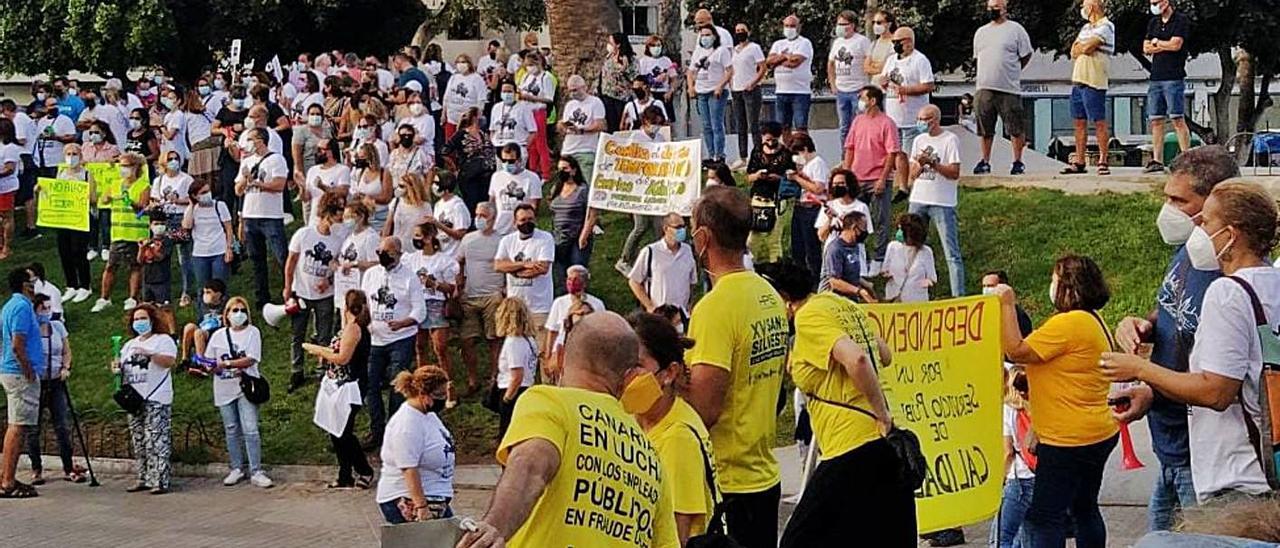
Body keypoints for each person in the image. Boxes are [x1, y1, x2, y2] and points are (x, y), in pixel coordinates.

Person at [1102, 181, 1280, 505]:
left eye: (1206, 221)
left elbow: (1216, 391)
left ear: (1231, 234)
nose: (1197, 226)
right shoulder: (1272, 283)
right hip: (1266, 470)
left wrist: (1140, 368)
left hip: (1237, 479)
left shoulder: (1228, 293)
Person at [456, 312, 678, 548]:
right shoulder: (650, 455)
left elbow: (531, 466)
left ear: (560, 357)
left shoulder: (550, 402)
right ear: (629, 376)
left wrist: (495, 527)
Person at [1109, 146, 1240, 531]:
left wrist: (1141, 372)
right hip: (1169, 448)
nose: (1167, 209)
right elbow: (1175, 311)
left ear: (1217, 204)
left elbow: (1218, 386)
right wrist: (1144, 324)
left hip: (1203, 458)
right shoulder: (1190, 253)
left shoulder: (1231, 278)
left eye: (1179, 200)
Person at [750, 261, 909, 546]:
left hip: (850, 445)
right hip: (880, 443)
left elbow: (857, 359)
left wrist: (880, 414)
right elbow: (883, 354)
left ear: (784, 299)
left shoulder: (808, 318)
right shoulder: (838, 304)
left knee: (798, 539)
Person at [684, 185, 789, 548]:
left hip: (727, 481)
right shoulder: (768, 294)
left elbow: (705, 408)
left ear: (703, 237)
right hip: (763, 470)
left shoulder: (715, 309)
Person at [993, 255, 1119, 546]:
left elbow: (1016, 350)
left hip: (1069, 440)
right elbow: (1062, 378)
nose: (1051, 286)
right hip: (1096, 431)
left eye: (1054, 280)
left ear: (1067, 287)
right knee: (1083, 508)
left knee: (1043, 518)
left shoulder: (1069, 323)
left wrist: (1007, 302)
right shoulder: (1091, 319)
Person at [628, 312, 718, 543]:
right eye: (621, 363)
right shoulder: (637, 419)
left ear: (669, 373)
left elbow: (678, 534)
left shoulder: (677, 439)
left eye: (636, 365)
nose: (626, 375)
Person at [303, 289, 376, 490]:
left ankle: (364, 470)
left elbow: (343, 357)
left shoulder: (354, 329)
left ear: (346, 306)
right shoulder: (347, 328)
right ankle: (345, 474)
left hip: (350, 386)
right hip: (336, 384)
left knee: (344, 432)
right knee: (335, 430)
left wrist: (318, 350)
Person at [361, 236, 425, 448]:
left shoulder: (410, 278)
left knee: (398, 385)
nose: (382, 257)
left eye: (387, 254)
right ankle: (376, 429)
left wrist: (405, 322)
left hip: (401, 338)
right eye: (380, 252)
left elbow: (420, 310)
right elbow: (365, 304)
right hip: (375, 339)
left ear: (398, 254)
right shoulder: (371, 275)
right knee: (370, 384)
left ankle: (395, 430)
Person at [203, 296, 273, 488]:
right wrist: (210, 366)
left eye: (242, 310)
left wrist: (227, 363)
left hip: (245, 387)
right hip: (224, 387)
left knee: (250, 429)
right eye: (234, 310)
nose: (238, 314)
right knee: (231, 428)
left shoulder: (253, 332)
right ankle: (236, 467)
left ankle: (256, 470)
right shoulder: (218, 335)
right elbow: (210, 360)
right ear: (226, 314)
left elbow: (251, 358)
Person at [375, 366, 454, 524]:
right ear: (423, 394)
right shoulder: (407, 424)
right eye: (439, 395)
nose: (443, 399)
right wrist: (421, 506)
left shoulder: (428, 415)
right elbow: (408, 468)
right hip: (408, 499)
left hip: (435, 496)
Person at [283, 191, 345, 392]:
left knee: (324, 333)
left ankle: (323, 367)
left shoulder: (338, 239)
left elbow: (338, 267)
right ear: (328, 213)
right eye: (338, 213)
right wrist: (287, 287)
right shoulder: (304, 234)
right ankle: (296, 370)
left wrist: (327, 281)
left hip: (325, 295)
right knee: (297, 334)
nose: (341, 218)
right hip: (301, 292)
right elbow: (291, 262)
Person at [116, 303, 178, 495]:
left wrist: (150, 354)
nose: (139, 322)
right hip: (135, 398)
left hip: (156, 396)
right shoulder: (129, 345)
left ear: (152, 320)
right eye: (136, 319)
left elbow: (169, 362)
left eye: (143, 318)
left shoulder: (163, 340)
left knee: (156, 439)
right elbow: (124, 369)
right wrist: (117, 369)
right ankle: (143, 476)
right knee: (139, 439)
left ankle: (160, 479)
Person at [22, 294, 81, 485]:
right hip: (37, 383)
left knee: (62, 426)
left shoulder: (57, 327)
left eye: (48, 308)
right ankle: (36, 469)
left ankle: (68, 466)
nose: (46, 312)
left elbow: (66, 351)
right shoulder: (30, 332)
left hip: (56, 382)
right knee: (33, 429)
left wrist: (65, 367)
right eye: (43, 309)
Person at [907, 104, 965, 297]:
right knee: (910, 245)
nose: (922, 122)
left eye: (926, 119)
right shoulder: (918, 140)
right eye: (920, 118)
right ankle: (911, 292)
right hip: (918, 198)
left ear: (936, 119)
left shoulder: (950, 140)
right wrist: (921, 164)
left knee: (951, 253)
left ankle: (959, 296)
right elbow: (912, 174)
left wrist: (933, 163)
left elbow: (954, 172)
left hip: (942, 201)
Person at [842, 85, 899, 273]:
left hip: (877, 178)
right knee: (855, 219)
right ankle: (858, 256)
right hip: (857, 178)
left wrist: (883, 179)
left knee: (880, 219)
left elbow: (892, 153)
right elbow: (849, 147)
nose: (859, 101)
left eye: (862, 97)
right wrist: (846, 173)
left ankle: (879, 259)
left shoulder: (887, 123)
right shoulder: (857, 121)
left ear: (873, 101)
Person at [973, 0, 1033, 175]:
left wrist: (1014, 70)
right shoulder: (981, 32)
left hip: (1008, 87)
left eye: (996, 7)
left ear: (1005, 9)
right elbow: (979, 57)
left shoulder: (1015, 30)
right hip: (984, 86)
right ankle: (985, 161)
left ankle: (1017, 161)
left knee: (1015, 126)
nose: (993, 10)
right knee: (985, 127)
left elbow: (1026, 54)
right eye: (990, 7)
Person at [876, 26, 935, 194]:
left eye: (898, 42)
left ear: (908, 42)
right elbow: (884, 78)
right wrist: (883, 82)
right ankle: (903, 187)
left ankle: (918, 184)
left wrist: (906, 90)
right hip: (894, 116)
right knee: (899, 153)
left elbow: (928, 85)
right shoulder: (891, 60)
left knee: (913, 154)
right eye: (893, 42)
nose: (895, 45)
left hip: (913, 116)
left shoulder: (919, 60)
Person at [235, 128, 289, 308]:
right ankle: (262, 297)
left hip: (270, 215)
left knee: (281, 255)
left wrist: (259, 183)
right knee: (256, 258)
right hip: (251, 214)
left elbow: (279, 185)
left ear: (261, 140)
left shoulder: (276, 159)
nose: (248, 143)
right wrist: (245, 179)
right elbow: (238, 190)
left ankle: (290, 291)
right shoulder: (247, 161)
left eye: (251, 139)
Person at [1, 269, 43, 499]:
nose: (35, 284)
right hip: (19, 373)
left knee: (16, 424)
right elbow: (18, 343)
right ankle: (7, 480)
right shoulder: (22, 307)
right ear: (24, 285)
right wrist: (26, 366)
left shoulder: (10, 306)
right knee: (18, 426)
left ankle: (6, 474)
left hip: (11, 370)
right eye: (32, 280)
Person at [91, 152, 150, 313]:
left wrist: (130, 202)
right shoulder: (115, 184)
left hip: (136, 234)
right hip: (117, 233)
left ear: (136, 167)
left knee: (135, 266)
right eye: (121, 166)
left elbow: (144, 207)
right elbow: (103, 200)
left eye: (127, 166)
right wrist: (107, 197)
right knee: (110, 266)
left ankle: (132, 297)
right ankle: (104, 298)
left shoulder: (143, 185)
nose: (123, 169)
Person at [1062, 0, 1115, 176]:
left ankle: (1103, 160)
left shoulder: (1106, 26)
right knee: (1078, 122)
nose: (1082, 9)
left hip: (1094, 80)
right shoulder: (1085, 28)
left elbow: (1087, 47)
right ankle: (1079, 160)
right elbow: (1074, 50)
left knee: (1098, 121)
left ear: (1092, 7)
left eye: (1084, 5)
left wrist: (1084, 47)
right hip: (1078, 79)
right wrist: (1082, 47)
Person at [456, 202, 504, 394]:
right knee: (467, 340)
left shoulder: (501, 241)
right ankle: (472, 379)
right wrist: (459, 286)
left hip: (493, 296)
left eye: (483, 215)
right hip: (470, 296)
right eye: (477, 215)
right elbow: (459, 262)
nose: (479, 219)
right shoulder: (467, 240)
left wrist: (504, 290)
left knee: (494, 339)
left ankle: (495, 376)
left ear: (492, 218)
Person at [494, 204, 555, 353]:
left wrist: (513, 269)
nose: (527, 222)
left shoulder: (545, 238)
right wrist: (524, 265)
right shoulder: (507, 241)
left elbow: (542, 268)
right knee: (516, 352)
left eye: (530, 219)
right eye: (523, 220)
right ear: (515, 223)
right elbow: (498, 265)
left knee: (542, 352)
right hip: (515, 306)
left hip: (539, 306)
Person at [1143, 0, 1192, 173]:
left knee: (1177, 118)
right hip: (1156, 77)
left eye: (1156, 2)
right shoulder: (1153, 22)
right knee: (1156, 119)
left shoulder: (1180, 20)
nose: (1154, 5)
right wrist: (1161, 44)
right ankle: (1157, 159)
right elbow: (1146, 47)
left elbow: (1176, 45)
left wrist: (1157, 43)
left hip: (1174, 77)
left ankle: (1187, 158)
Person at [406, 222, 458, 382]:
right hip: (417, 303)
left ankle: (448, 383)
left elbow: (452, 288)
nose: (415, 239)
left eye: (418, 236)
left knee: (440, 347)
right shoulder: (411, 259)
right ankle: (423, 380)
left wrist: (434, 284)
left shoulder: (444, 261)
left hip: (436, 303)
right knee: (420, 346)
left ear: (428, 238)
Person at [995, 365, 1036, 548]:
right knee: (1027, 538)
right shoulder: (1036, 407)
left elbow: (1008, 452)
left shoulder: (1008, 410)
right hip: (1038, 476)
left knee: (1002, 538)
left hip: (1018, 480)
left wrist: (1000, 479)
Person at [745, 121, 795, 263]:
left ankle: (775, 265)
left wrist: (778, 178)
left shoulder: (786, 154)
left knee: (774, 238)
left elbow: (791, 177)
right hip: (758, 197)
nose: (770, 143)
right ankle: (752, 263)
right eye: (767, 140)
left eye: (773, 140)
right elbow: (748, 177)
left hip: (777, 198)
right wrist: (758, 175)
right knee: (753, 237)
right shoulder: (757, 151)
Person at [628, 212, 698, 313]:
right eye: (678, 227)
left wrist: (689, 305)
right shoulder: (650, 251)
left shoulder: (688, 251)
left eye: (683, 226)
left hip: (681, 315)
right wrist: (650, 306)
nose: (682, 230)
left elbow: (692, 282)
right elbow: (634, 281)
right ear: (666, 228)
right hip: (659, 315)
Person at [49, 143, 93, 301]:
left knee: (78, 251)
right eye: (68, 154)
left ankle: (85, 285)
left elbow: (93, 197)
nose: (71, 157)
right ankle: (71, 284)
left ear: (80, 156)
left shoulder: (87, 173)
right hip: (63, 217)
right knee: (64, 251)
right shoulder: (61, 173)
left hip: (79, 218)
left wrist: (83, 193)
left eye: (74, 154)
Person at [153, 150, 196, 307]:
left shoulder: (186, 179)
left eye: (176, 158)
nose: (173, 161)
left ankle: (187, 292)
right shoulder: (159, 180)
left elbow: (193, 199)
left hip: (181, 219)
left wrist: (178, 200)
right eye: (170, 159)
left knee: (185, 257)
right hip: (165, 220)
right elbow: (155, 199)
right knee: (162, 256)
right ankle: (163, 294)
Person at [548, 155, 598, 287]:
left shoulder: (583, 189)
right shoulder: (556, 189)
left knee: (576, 272)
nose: (561, 172)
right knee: (559, 273)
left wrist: (584, 235)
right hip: (558, 237)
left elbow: (592, 214)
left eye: (565, 168)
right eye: (559, 169)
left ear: (574, 170)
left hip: (577, 237)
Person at [493, 297, 538, 438]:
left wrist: (507, 399)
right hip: (526, 388)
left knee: (507, 434)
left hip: (513, 390)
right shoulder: (529, 339)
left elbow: (517, 376)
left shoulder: (513, 342)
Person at [688, 25, 733, 165]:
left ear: (714, 36)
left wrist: (720, 86)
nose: (705, 38)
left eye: (708, 35)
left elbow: (729, 70)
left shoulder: (721, 51)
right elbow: (690, 71)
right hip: (701, 92)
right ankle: (711, 153)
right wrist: (691, 87)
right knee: (706, 125)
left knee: (716, 124)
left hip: (715, 92)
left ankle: (719, 155)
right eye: (702, 35)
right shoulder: (698, 52)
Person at [816, 168, 874, 276]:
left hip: (854, 259)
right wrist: (829, 220)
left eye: (841, 183)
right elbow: (821, 236)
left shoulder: (861, 207)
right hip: (832, 260)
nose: (837, 187)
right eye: (835, 184)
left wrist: (846, 222)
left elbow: (864, 236)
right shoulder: (829, 206)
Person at [789, 132, 829, 281]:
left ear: (805, 149)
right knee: (797, 247)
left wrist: (797, 178)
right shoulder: (806, 166)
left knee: (811, 248)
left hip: (813, 209)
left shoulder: (818, 163)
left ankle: (815, 279)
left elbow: (818, 188)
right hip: (800, 207)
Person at [766, 15, 814, 136]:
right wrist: (785, 56)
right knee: (782, 127)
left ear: (798, 27)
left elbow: (795, 62)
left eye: (792, 26)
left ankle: (803, 152)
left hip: (800, 92)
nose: (789, 28)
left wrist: (778, 60)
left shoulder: (804, 43)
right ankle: (787, 152)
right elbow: (769, 61)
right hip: (781, 91)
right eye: (786, 25)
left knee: (801, 127)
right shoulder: (778, 44)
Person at [828, 10, 871, 146]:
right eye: (838, 24)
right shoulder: (837, 42)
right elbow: (831, 64)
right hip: (841, 91)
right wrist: (832, 84)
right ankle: (845, 156)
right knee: (844, 127)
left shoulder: (862, 41)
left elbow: (869, 62)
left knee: (860, 124)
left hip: (858, 90)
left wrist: (866, 87)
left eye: (844, 24)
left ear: (852, 25)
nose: (840, 27)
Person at [729, 23, 766, 170]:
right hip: (736, 90)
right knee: (740, 125)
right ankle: (743, 156)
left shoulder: (754, 48)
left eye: (742, 30)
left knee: (754, 124)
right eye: (737, 30)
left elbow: (762, 67)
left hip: (750, 89)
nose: (739, 33)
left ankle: (758, 156)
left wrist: (754, 82)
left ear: (748, 32)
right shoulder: (733, 50)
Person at [444, 107, 494, 216]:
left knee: (484, 204)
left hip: (485, 176)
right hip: (469, 176)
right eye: (481, 115)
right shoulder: (461, 134)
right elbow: (444, 151)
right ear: (475, 118)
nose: (483, 118)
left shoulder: (484, 134)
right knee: (472, 204)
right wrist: (454, 168)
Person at [557, 75, 606, 182]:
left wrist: (582, 130)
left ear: (584, 87)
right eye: (570, 91)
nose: (572, 93)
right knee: (565, 183)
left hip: (586, 150)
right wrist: (562, 126)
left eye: (575, 90)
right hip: (568, 149)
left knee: (586, 182)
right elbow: (563, 126)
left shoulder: (595, 102)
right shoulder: (570, 104)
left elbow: (600, 125)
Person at [819, 211, 875, 302]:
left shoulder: (855, 246)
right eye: (863, 229)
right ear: (854, 228)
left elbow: (849, 274)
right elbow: (834, 281)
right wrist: (859, 291)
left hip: (849, 299)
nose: (865, 232)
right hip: (831, 300)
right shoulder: (835, 249)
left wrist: (867, 285)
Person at [293, 104, 335, 223]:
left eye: (317, 114)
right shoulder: (301, 131)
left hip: (327, 169)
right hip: (308, 168)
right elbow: (297, 154)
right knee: (309, 201)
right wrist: (299, 173)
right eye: (312, 114)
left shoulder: (327, 130)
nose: (315, 116)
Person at [516, 51, 555, 180]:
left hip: (538, 111)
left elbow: (549, 99)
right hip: (526, 112)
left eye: (532, 65)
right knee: (531, 144)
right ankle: (533, 169)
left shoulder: (546, 77)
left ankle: (546, 173)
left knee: (540, 143)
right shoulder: (527, 76)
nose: (529, 68)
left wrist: (532, 98)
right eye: (527, 65)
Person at [488, 143, 542, 235]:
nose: (507, 164)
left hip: (521, 229)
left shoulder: (532, 178)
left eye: (511, 161)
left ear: (519, 159)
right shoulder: (496, 177)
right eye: (504, 160)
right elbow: (491, 202)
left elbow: (534, 205)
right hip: (499, 229)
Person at [882, 213, 937, 303]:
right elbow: (885, 270)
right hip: (895, 299)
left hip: (917, 302)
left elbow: (932, 278)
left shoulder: (926, 252)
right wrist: (886, 275)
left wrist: (925, 283)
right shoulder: (892, 247)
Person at [303, 139, 351, 226]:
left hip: (334, 220)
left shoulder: (342, 170)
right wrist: (301, 185)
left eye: (321, 149)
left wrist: (323, 187)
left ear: (331, 151)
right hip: (315, 219)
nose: (318, 152)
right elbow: (306, 198)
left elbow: (343, 192)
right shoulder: (312, 170)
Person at [384, 172, 433, 253]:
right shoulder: (396, 202)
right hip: (398, 248)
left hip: (416, 248)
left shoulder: (425, 207)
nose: (398, 189)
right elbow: (388, 224)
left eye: (402, 186)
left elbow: (429, 229)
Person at [598, 33, 637, 133]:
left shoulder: (630, 59)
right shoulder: (609, 58)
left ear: (618, 44)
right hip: (607, 97)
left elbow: (634, 78)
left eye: (611, 43)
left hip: (622, 98)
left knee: (622, 126)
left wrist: (624, 68)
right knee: (611, 126)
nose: (608, 45)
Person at [443, 53, 487, 142]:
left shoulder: (476, 78)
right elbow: (446, 97)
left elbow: (481, 100)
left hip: (468, 121)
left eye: (463, 62)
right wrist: (444, 113)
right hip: (452, 119)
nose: (460, 64)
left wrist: (476, 117)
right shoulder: (454, 77)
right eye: (458, 62)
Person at [488, 80, 537, 159]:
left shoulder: (524, 108)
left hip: (517, 148)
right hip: (499, 148)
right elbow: (492, 130)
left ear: (515, 92)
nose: (507, 94)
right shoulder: (496, 107)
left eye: (509, 91)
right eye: (504, 91)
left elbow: (533, 131)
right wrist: (494, 143)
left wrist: (523, 147)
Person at [350, 142, 393, 231]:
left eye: (362, 157)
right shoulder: (360, 173)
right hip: (364, 215)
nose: (359, 160)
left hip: (380, 216)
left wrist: (369, 197)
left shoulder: (384, 173)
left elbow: (387, 197)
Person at [981, 270, 1034, 337]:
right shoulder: (982, 313)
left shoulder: (1017, 314)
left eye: (990, 286)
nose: (986, 290)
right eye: (984, 286)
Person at [430, 173, 471, 257]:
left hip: (454, 255)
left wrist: (439, 225)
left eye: (437, 183)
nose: (434, 186)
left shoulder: (458, 206)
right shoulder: (438, 204)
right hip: (441, 254)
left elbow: (460, 234)